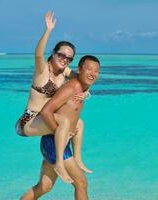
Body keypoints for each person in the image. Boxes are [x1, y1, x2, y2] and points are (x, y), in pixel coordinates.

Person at [15, 11, 91, 183]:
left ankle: (78, 158)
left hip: (45, 118)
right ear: (54, 53)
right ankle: (59, 163)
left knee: (79, 123)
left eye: (69, 58)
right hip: (29, 120)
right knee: (64, 123)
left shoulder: (65, 72)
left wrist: (87, 93)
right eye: (61, 55)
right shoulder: (42, 70)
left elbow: (81, 81)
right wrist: (48, 30)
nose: (64, 59)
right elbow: (38, 54)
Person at [21, 55, 100, 200]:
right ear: (79, 70)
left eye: (96, 71)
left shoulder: (82, 88)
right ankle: (64, 161)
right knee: (81, 183)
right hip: (54, 143)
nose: (92, 73)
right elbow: (47, 111)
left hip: (55, 142)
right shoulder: (72, 87)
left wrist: (87, 93)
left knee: (44, 187)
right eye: (89, 69)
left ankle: (77, 157)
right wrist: (58, 132)